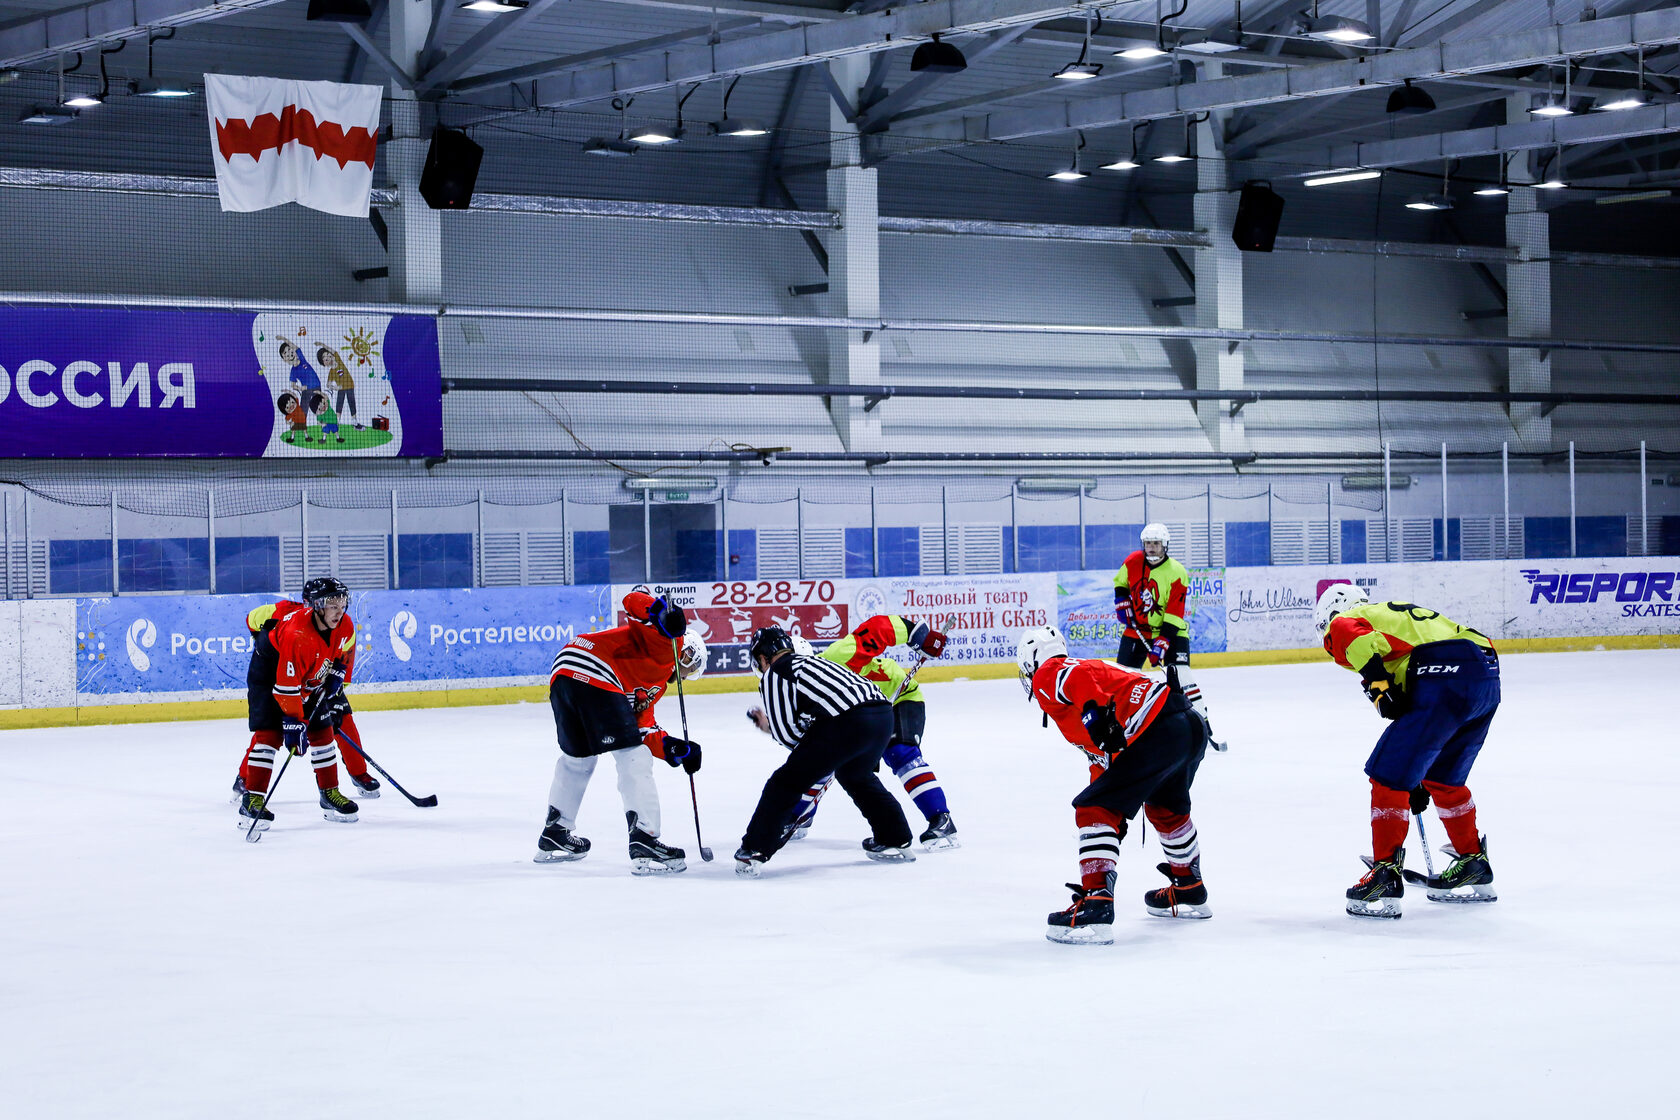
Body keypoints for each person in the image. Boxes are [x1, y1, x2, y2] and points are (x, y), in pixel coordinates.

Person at [1017, 625, 1212, 945]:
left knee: (1091, 808)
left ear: (1031, 661)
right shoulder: (1094, 672)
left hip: (1158, 727)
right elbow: (1103, 765)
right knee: (1166, 808)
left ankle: (1096, 903)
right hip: (1186, 724)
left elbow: (1080, 687)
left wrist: (1097, 715)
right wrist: (1111, 816)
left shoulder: (1049, 672)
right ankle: (1189, 887)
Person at [1314, 584, 1500, 919]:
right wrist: (1414, 775)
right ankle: (1473, 861)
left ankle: (1385, 872)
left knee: (1387, 774)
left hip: (1443, 675)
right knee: (1441, 778)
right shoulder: (1391, 618)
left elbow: (1345, 631)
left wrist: (1376, 682)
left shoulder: (1349, 619)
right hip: (1485, 676)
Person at [535, 587, 698, 875]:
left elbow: (644, 728)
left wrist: (675, 748)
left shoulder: (656, 685)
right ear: (685, 651)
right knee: (633, 756)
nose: (686, 675)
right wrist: (660, 613)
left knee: (579, 758)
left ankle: (555, 833)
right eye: (691, 666)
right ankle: (645, 838)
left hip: (565, 672)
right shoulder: (667, 642)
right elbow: (632, 601)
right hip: (594, 667)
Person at [736, 625, 915, 877]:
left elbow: (791, 737)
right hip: (883, 715)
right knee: (856, 775)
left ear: (763, 658)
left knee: (785, 782)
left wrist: (771, 728)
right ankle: (895, 836)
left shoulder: (775, 672)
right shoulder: (811, 663)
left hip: (850, 721)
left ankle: (754, 849)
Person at [779, 614, 957, 850]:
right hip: (862, 713)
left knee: (900, 753)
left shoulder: (837, 657)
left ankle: (941, 821)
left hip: (898, 698)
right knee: (819, 759)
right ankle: (799, 816)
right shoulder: (793, 694)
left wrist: (918, 636)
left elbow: (880, 627)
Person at [235, 577, 363, 832]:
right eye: (331, 604)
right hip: (269, 673)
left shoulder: (344, 624)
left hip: (307, 673)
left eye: (342, 603)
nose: (339, 610)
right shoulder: (297, 634)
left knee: (322, 731)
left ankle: (329, 794)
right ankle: (253, 798)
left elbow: (339, 653)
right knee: (270, 735)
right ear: (316, 605)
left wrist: (338, 672)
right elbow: (286, 687)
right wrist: (294, 722)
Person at [1113, 523, 1221, 747]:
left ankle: (1203, 722)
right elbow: (1120, 583)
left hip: (1172, 630)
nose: (1151, 548)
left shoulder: (1177, 571)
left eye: (1156, 544)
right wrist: (1122, 601)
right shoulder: (1132, 561)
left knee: (1180, 676)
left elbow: (1175, 612)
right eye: (1148, 544)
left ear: (1165, 545)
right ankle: (1117, 725)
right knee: (1122, 678)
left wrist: (1162, 642)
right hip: (1138, 630)